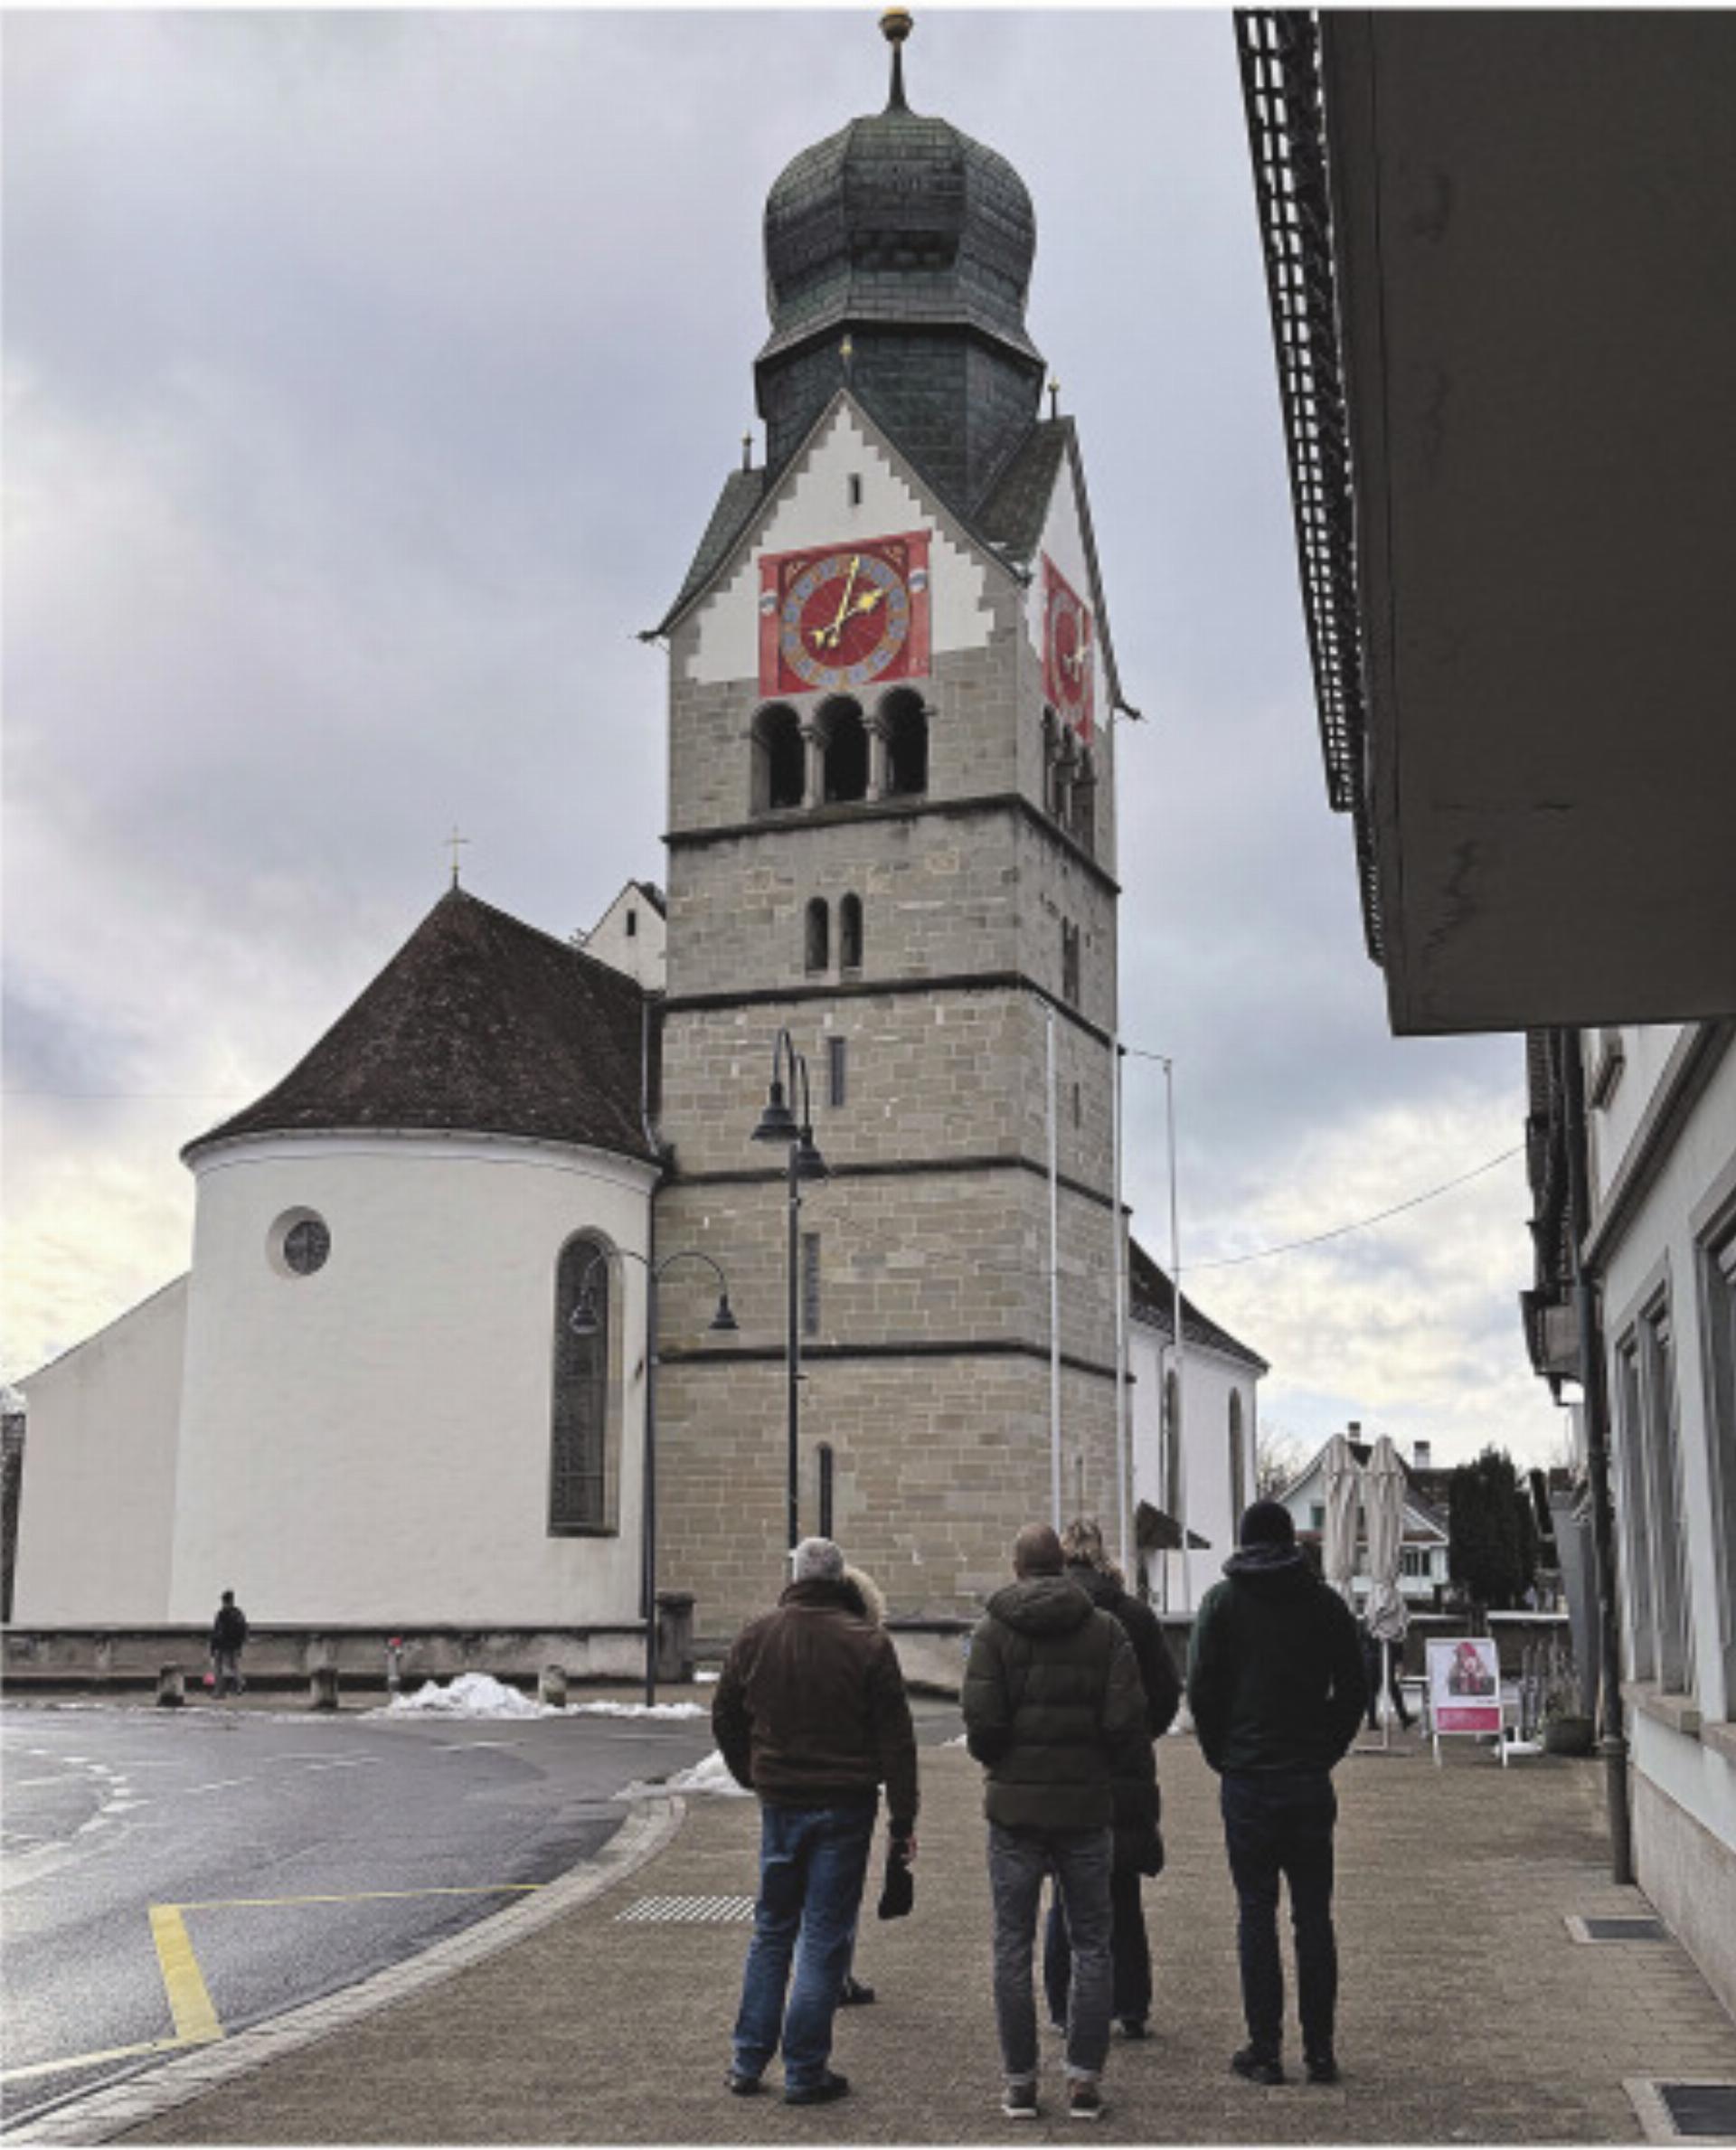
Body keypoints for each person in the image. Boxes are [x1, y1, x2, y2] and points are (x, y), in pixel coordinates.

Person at [712, 1537, 919, 2108]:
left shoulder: (758, 1635)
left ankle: (746, 2059)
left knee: (772, 1928)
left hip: (780, 1801)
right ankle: (805, 2069)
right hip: (846, 1804)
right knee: (824, 1935)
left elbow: (725, 1712)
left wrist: (750, 1773)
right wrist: (904, 1818)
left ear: (796, 1575)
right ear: (840, 1580)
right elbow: (897, 1742)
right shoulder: (869, 1645)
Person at [963, 1521, 1144, 2123]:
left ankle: (1019, 2082)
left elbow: (982, 1729)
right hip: (1086, 1809)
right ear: (1062, 1566)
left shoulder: (992, 1633)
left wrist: (1008, 1763)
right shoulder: (1106, 1631)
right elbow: (1126, 1725)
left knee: (1012, 1946)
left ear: (1017, 1568)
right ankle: (1084, 2078)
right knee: (1093, 1942)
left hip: (1014, 1812)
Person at [1187, 1499, 1367, 2089]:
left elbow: (1202, 1692)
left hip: (1248, 1780)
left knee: (1255, 1912)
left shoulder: (1222, 1604)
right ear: (1291, 1540)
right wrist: (1326, 1747)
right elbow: (1357, 1685)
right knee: (1314, 1915)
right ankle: (1321, 2050)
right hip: (1307, 1778)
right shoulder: (1323, 1604)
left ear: (1242, 1541)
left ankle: (1265, 2048)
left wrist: (1225, 1755)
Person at [1042, 1517, 1180, 2043]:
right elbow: (1166, 1692)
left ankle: (1061, 2002)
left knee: (1063, 1893)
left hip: (1063, 1766)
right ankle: (1130, 2003)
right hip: (1121, 1765)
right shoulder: (1135, 1617)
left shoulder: (1044, 1613)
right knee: (1121, 1891)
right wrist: (1141, 1734)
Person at [1360, 1616, 1415, 1731]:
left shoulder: (1370, 1617)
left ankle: (1372, 1721)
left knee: (1373, 1690)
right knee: (1391, 1687)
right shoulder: (1392, 1620)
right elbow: (1398, 1640)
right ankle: (1403, 1718)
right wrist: (1399, 1661)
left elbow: (1362, 1638)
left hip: (1370, 1656)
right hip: (1384, 1655)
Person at [209, 1589, 249, 1697]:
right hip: (234, 1645)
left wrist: (213, 1647)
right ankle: (240, 1683)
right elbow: (244, 1630)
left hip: (222, 1645)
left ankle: (219, 1691)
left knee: (218, 1667)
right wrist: (240, 1644)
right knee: (234, 1666)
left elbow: (217, 1632)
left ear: (224, 1601)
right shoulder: (238, 1613)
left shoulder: (222, 1614)